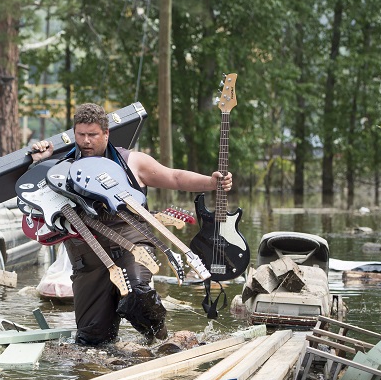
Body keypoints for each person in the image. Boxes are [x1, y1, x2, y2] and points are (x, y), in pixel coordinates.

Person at [30, 103, 233, 346]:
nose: (86, 141)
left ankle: (160, 340)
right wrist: (39, 164)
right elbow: (37, 198)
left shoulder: (131, 162)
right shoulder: (59, 170)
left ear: (106, 134)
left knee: (138, 293)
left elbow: (175, 177)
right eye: (81, 135)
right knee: (91, 340)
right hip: (89, 261)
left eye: (93, 135)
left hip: (132, 247)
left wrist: (211, 183)